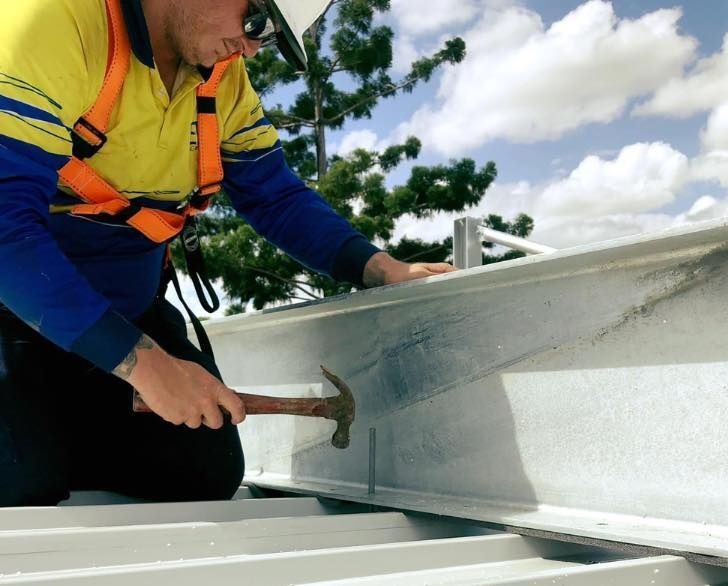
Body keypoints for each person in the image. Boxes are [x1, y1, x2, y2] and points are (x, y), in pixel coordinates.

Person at [0, 0, 455, 507]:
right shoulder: (54, 21)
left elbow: (274, 195)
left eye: (272, 38)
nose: (253, 48)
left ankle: (52, 426)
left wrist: (378, 268)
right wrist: (146, 367)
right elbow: (4, 228)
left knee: (203, 471)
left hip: (126, 314)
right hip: (13, 312)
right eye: (257, 21)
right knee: (19, 482)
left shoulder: (223, 78)